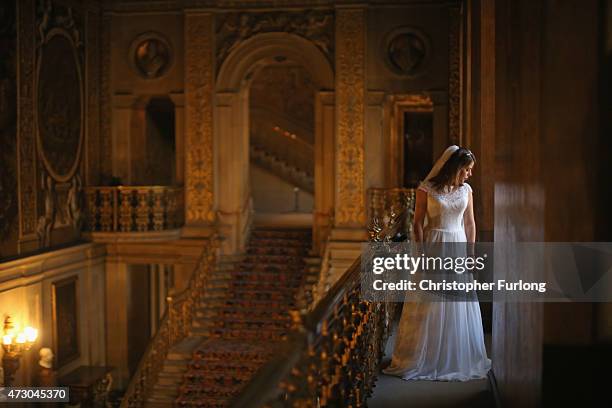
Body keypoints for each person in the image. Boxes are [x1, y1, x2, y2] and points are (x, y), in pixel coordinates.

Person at [383, 145, 491, 381]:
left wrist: (470, 253)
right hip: (435, 243)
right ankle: (426, 355)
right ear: (455, 167)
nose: (470, 174)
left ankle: (454, 355)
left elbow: (470, 223)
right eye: (467, 170)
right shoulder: (426, 189)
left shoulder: (467, 191)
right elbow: (417, 223)